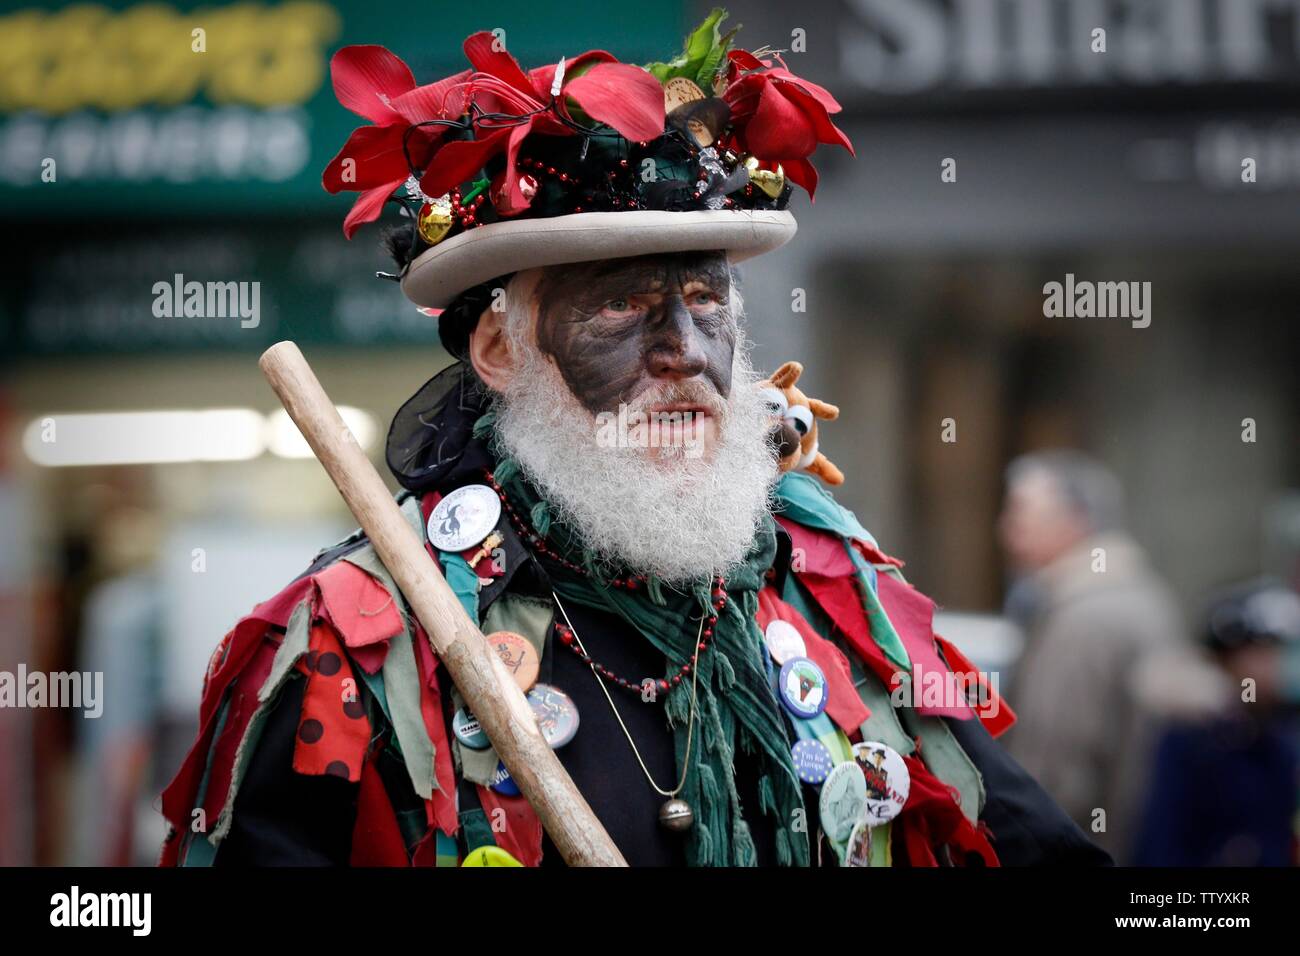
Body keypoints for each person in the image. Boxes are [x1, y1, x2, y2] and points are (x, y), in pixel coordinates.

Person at [160, 12, 1106, 867]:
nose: (686, 356)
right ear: (499, 347)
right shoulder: (360, 641)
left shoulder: (827, 590)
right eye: (621, 306)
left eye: (704, 301)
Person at [998, 450, 1183, 862]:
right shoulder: (1136, 593)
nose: (1007, 528)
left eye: (1021, 511)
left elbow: (1051, 768)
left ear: (1076, 519)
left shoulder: (1084, 617)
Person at [1132, 580, 1300, 866]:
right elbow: (1162, 839)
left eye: (1279, 651)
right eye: (1259, 653)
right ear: (1224, 661)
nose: (1273, 666)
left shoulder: (1281, 729)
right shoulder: (1192, 736)